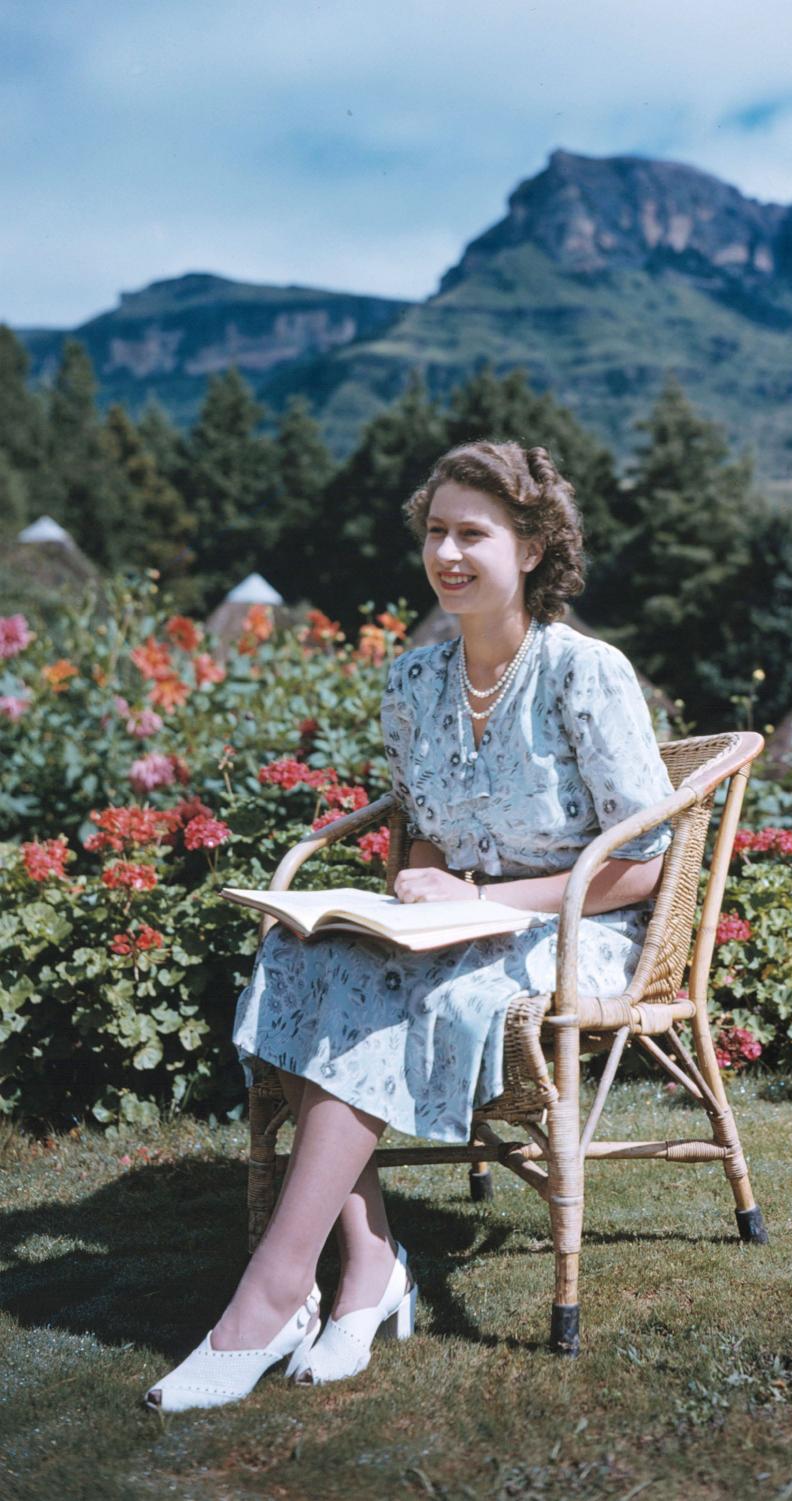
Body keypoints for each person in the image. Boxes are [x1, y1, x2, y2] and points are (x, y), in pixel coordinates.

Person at [146, 441, 675, 1412]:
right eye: (436, 531)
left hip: (575, 926)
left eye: (473, 532)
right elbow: (422, 832)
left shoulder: (585, 672)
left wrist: (482, 898)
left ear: (533, 545)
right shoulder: (413, 682)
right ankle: (372, 1265)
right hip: (459, 925)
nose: (448, 553)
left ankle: (268, 1299)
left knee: (386, 983)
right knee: (304, 955)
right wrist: (420, 881)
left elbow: (641, 863)